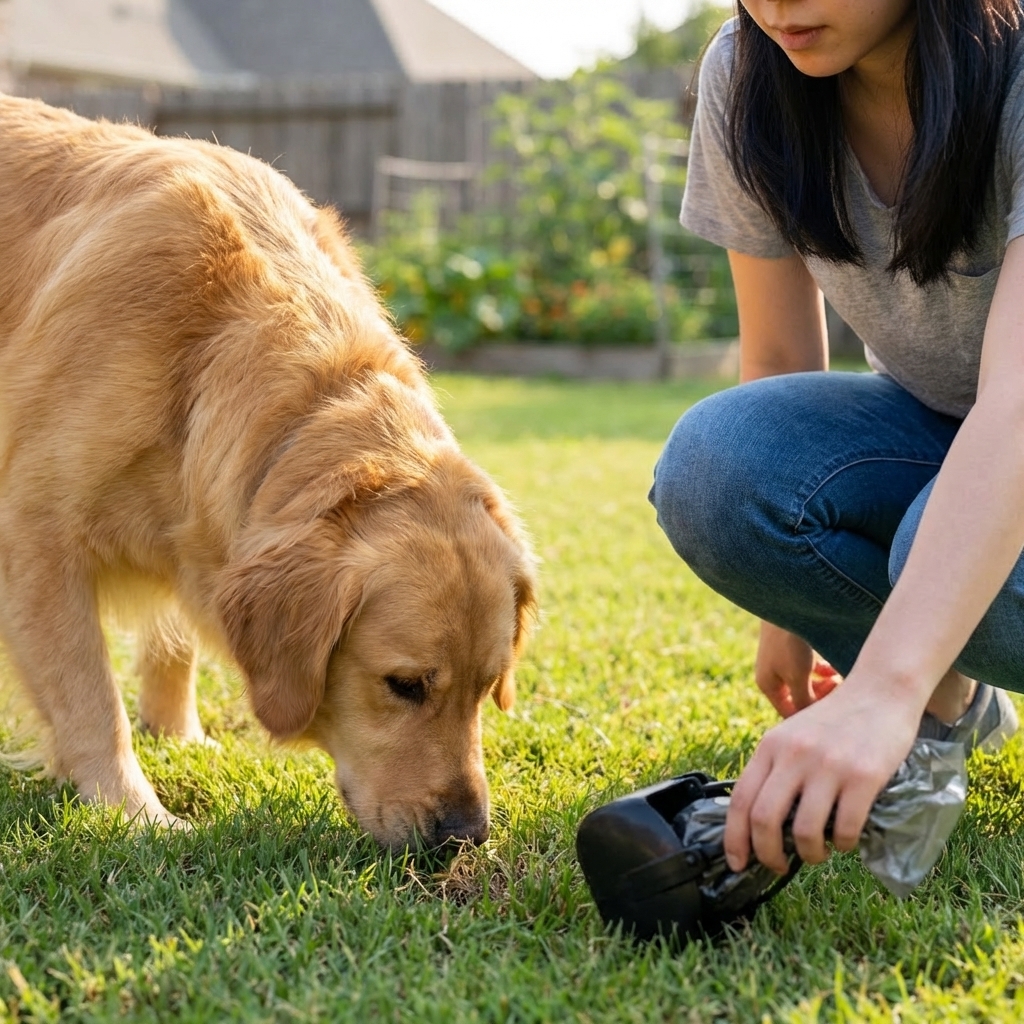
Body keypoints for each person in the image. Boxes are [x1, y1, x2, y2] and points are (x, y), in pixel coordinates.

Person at [649, 0, 1024, 879]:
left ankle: (926, 694)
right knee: (713, 467)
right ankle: (951, 701)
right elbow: (780, 359)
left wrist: (884, 686)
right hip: (940, 432)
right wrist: (794, 610)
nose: (777, 4)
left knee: (931, 542)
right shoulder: (746, 71)